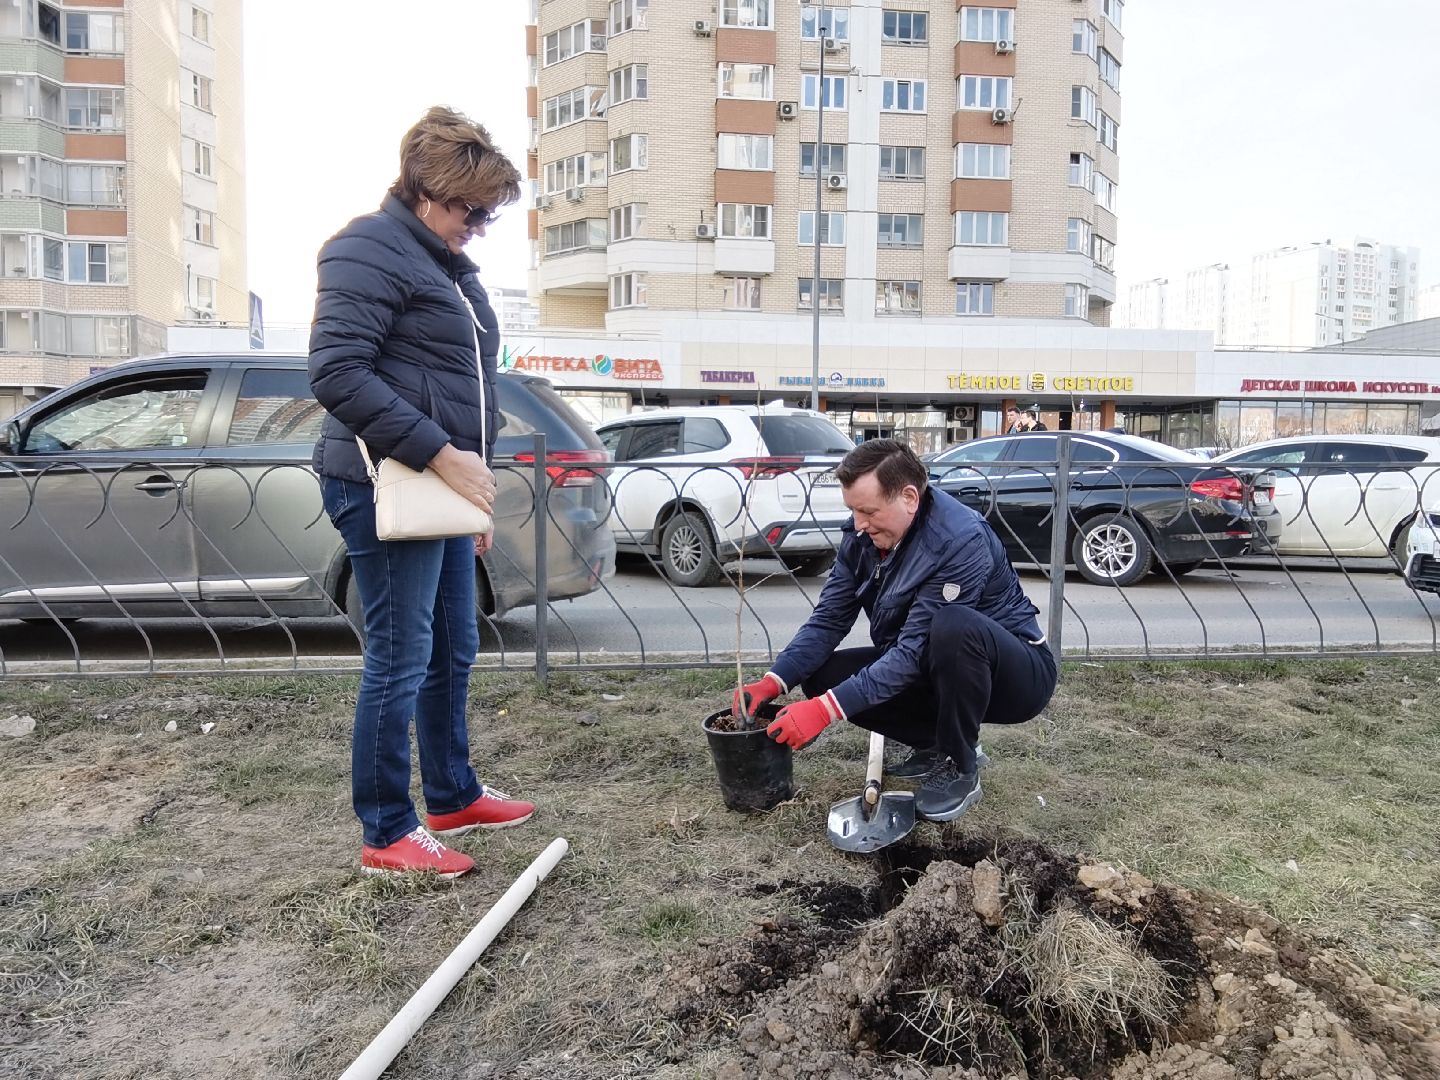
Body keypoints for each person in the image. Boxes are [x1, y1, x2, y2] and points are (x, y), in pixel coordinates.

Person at [309, 106, 533, 879]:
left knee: (453, 647)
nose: (478, 223)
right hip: (382, 484)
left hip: (437, 488)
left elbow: (471, 387)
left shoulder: (445, 266)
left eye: (486, 213)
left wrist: (470, 496)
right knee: (401, 658)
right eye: (469, 208)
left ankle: (451, 792)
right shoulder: (367, 249)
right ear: (425, 189)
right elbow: (338, 372)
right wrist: (444, 459)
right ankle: (386, 831)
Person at [733, 440, 1057, 821]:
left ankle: (961, 761)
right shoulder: (862, 538)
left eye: (868, 511)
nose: (858, 523)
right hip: (934, 663)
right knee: (821, 676)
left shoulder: (960, 540)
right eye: (852, 510)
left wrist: (824, 712)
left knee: (954, 625)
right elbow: (829, 619)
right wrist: (775, 681)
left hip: (1016, 675)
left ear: (909, 497)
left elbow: (915, 650)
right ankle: (936, 743)